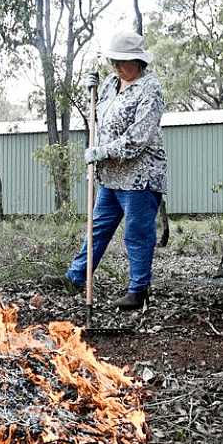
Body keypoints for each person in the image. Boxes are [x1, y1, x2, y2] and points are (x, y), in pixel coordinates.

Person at [42, 31, 167, 311]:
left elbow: (139, 136)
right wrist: (92, 93)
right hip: (110, 176)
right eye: (114, 61)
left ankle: (138, 291)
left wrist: (103, 151)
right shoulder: (111, 83)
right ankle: (76, 277)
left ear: (139, 61)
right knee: (97, 228)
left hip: (139, 176)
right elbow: (99, 117)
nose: (117, 67)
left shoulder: (150, 89)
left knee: (136, 232)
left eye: (123, 62)